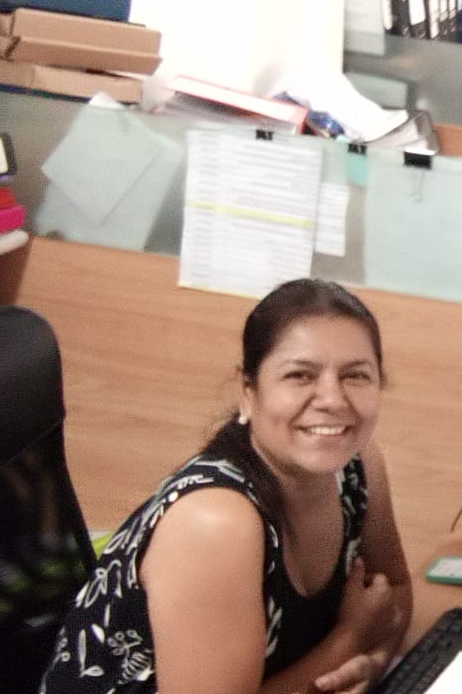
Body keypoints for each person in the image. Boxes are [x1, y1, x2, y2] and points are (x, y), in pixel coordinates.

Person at [42, 279, 412, 694]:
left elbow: (394, 592)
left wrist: (373, 663)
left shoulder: (357, 465)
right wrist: (351, 640)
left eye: (356, 376)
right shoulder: (215, 522)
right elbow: (370, 622)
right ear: (247, 392)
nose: (333, 399)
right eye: (299, 375)